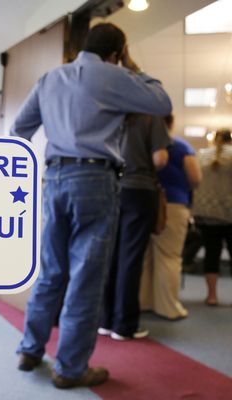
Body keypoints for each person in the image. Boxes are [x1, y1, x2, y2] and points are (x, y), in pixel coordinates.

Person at [10, 22, 172, 389]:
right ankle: (69, 369)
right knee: (85, 279)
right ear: (117, 53)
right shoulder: (114, 77)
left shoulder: (50, 77)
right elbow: (162, 101)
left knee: (51, 272)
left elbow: (18, 130)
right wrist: (129, 68)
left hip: (53, 180)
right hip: (96, 181)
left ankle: (29, 349)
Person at [99, 114, 171, 340]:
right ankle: (124, 324)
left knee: (110, 255)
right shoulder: (150, 117)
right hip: (139, 189)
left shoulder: (111, 114)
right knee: (130, 258)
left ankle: (105, 320)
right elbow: (160, 158)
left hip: (110, 188)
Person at [140, 115, 202, 319]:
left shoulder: (142, 144)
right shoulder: (180, 146)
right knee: (169, 256)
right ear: (172, 123)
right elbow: (195, 178)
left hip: (144, 203)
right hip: (173, 204)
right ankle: (168, 307)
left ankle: (144, 301)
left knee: (146, 256)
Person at [193, 128, 232, 306]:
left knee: (211, 254)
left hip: (207, 213)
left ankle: (212, 296)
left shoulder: (202, 155)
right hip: (229, 213)